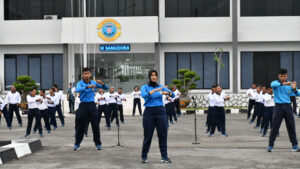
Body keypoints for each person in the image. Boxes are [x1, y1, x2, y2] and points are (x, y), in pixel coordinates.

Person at [140, 69, 174, 163]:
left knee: (163, 135)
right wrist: (155, 90)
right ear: (149, 76)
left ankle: (164, 156)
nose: (154, 77)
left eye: (155, 75)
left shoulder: (161, 87)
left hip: (160, 111)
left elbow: (173, 94)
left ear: (157, 77)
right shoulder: (145, 87)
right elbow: (144, 95)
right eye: (152, 75)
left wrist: (167, 93)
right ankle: (144, 156)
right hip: (149, 112)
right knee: (148, 135)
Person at [74, 67, 108, 151]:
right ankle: (77, 143)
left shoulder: (94, 82)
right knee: (80, 126)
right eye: (85, 73)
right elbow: (77, 89)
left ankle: (98, 144)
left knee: (95, 125)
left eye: (88, 73)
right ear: (82, 75)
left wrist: (102, 84)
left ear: (90, 74)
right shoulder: (80, 83)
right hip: (83, 105)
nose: (86, 75)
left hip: (92, 105)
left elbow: (106, 88)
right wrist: (87, 87)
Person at [268, 69, 300, 152]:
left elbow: (297, 94)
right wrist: (285, 83)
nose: (283, 78)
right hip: (278, 107)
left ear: (287, 76)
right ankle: (270, 145)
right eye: (281, 76)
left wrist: (294, 89)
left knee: (291, 126)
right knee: (275, 126)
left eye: (285, 76)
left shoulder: (290, 85)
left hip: (288, 107)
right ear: (279, 76)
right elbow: (273, 84)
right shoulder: (275, 83)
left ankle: (295, 145)